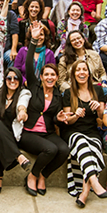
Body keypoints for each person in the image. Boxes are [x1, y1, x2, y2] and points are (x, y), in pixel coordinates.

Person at [19, 24, 70, 196]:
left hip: (47, 132)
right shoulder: (34, 87)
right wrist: (33, 40)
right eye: (46, 74)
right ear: (41, 77)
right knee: (51, 149)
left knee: (64, 149)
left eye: (52, 75)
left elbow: (54, 117)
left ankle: (43, 175)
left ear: (56, 78)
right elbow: (27, 63)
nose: (49, 77)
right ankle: (32, 176)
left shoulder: (57, 94)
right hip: (29, 132)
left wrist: (59, 118)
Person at [61, 60, 107, 208]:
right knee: (81, 143)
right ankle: (94, 182)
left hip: (92, 131)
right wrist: (75, 115)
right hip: (73, 132)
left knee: (93, 149)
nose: (81, 72)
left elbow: (102, 118)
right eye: (78, 70)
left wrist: (99, 109)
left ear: (89, 73)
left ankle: (84, 193)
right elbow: (67, 121)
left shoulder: (98, 91)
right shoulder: (69, 92)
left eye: (84, 70)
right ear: (74, 74)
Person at [0, 67, 33, 194]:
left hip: (7, 136)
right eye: (9, 78)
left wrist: (22, 112)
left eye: (16, 78)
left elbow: (22, 105)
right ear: (5, 79)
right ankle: (18, 156)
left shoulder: (24, 93)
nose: (12, 81)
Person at [15, 19, 55, 83]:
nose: (38, 37)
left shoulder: (50, 53)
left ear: (45, 37)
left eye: (41, 34)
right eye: (36, 34)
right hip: (24, 86)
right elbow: (16, 71)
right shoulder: (22, 51)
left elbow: (52, 73)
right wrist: (25, 82)